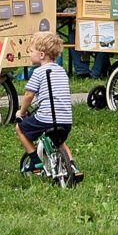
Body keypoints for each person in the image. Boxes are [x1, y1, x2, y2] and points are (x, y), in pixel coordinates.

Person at [15, 30, 79, 179]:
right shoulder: (62, 71)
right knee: (60, 142)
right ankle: (73, 168)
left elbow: (29, 95)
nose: (29, 54)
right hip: (66, 119)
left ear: (42, 54)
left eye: (31, 51)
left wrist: (22, 112)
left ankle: (35, 161)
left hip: (46, 118)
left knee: (20, 128)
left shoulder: (38, 72)